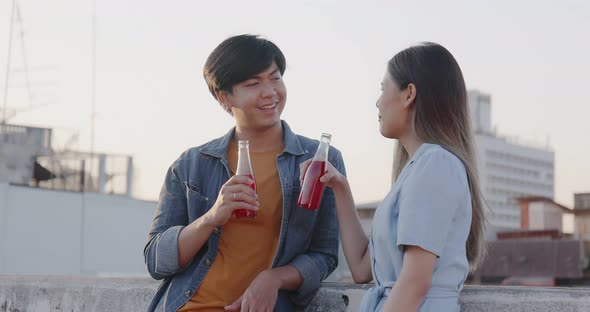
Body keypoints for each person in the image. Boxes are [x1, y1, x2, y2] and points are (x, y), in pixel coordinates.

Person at [144, 34, 346, 312]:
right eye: (253, 84)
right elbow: (157, 259)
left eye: (275, 78)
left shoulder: (320, 159)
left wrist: (273, 279)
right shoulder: (191, 164)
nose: (270, 92)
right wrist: (211, 217)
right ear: (223, 97)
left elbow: (324, 255)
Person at [300, 42, 486, 312]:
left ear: (409, 93)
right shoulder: (418, 168)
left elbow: (413, 284)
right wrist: (340, 187)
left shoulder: (435, 164)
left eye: (382, 89)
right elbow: (362, 268)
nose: (378, 101)